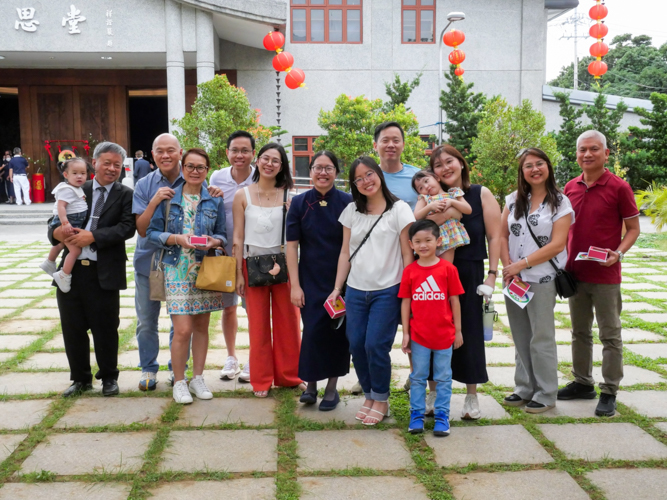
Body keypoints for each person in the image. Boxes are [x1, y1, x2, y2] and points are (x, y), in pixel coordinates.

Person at [558, 130, 640, 417]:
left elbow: (633, 229)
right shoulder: (570, 187)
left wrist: (618, 252)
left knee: (610, 334)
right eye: (582, 149)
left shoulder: (619, 187)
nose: (587, 154)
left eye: (594, 149)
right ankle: (583, 383)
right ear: (577, 154)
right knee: (579, 332)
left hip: (606, 276)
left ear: (606, 154)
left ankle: (609, 391)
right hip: (575, 274)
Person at [132, 133, 223, 391]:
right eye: (160, 151)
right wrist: (155, 200)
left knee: (181, 325)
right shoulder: (145, 184)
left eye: (171, 150)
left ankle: (178, 371)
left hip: (189, 265)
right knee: (147, 321)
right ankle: (148, 369)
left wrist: (214, 240)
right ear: (153, 154)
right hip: (150, 262)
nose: (165, 155)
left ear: (179, 153)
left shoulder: (197, 184)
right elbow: (142, 230)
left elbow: (217, 224)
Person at [329, 156, 415, 425]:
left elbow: (406, 252)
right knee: (356, 344)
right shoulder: (351, 211)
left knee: (376, 345)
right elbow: (345, 252)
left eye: (370, 174)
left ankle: (382, 398)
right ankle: (369, 394)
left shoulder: (399, 209)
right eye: (359, 178)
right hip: (355, 290)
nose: (366, 181)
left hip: (388, 290)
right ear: (354, 183)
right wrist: (336, 288)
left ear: (379, 174)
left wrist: (407, 289)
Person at [49, 142, 136, 398]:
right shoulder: (76, 187)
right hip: (72, 271)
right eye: (106, 163)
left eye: (117, 165)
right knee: (72, 327)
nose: (111, 169)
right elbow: (52, 223)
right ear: (94, 163)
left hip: (105, 270)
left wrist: (93, 236)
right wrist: (58, 233)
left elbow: (127, 228)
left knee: (106, 327)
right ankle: (80, 379)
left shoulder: (125, 194)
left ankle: (109, 377)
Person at [427, 144, 501, 420]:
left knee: (468, 332)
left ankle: (471, 397)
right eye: (438, 165)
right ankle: (433, 393)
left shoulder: (480, 194)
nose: (445, 168)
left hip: (468, 271)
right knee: (433, 331)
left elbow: (495, 237)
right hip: (433, 273)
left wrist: (492, 274)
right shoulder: (430, 196)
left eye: (450, 161)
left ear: (461, 163)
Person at [500, 148, 574, 413]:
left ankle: (545, 392)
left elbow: (557, 244)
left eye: (539, 163)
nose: (534, 169)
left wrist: (521, 264)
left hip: (542, 278)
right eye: (528, 165)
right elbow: (500, 236)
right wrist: (508, 268)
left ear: (548, 167)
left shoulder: (560, 202)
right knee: (520, 335)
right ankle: (524, 388)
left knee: (541, 337)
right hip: (514, 280)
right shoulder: (512, 200)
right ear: (522, 172)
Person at [233, 143, 302, 398]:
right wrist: (238, 272)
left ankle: (290, 376)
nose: (270, 164)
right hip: (252, 263)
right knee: (258, 325)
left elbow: (298, 236)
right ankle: (261, 379)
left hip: (284, 263)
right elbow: (238, 237)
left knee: (289, 322)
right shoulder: (243, 195)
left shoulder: (290, 196)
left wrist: (293, 216)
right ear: (257, 160)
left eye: (276, 160)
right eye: (265, 158)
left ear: (282, 166)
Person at [286, 151, 352, 411]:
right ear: (310, 171)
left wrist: (340, 286)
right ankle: (311, 385)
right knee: (312, 331)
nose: (323, 173)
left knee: (337, 333)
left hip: (342, 278)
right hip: (309, 278)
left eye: (329, 168)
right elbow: (291, 247)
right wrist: (295, 285)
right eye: (318, 168)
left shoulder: (349, 202)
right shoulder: (299, 203)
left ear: (336, 172)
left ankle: (332, 389)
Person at [400, 219, 464, 435]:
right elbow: (406, 302)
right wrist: (406, 334)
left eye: (428, 240)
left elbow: (455, 301)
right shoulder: (410, 271)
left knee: (443, 377)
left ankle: (442, 415)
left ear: (438, 241)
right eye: (418, 241)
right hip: (419, 335)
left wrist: (459, 331)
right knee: (418, 376)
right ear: (411, 244)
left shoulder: (448, 269)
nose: (423, 245)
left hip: (444, 335)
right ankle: (416, 414)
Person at [209, 131, 256, 383]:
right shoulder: (216, 177)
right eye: (234, 150)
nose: (240, 155)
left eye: (245, 150)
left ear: (253, 154)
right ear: (227, 152)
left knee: (254, 310)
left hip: (254, 255)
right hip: (225, 254)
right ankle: (231, 356)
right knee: (228, 307)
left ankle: (253, 358)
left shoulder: (261, 176)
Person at [40, 159, 90, 292]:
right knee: (75, 250)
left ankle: (49, 262)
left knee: (62, 243)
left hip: (72, 222)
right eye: (75, 173)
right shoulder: (67, 189)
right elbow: (61, 207)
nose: (79, 176)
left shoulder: (76, 188)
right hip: (68, 222)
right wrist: (65, 223)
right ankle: (63, 274)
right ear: (66, 175)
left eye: (83, 173)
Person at [412, 170, 471, 262]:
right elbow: (416, 216)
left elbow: (468, 209)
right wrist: (430, 207)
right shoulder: (425, 199)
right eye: (420, 188)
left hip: (449, 237)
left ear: (437, 178)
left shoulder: (453, 194)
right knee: (429, 267)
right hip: (429, 238)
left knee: (445, 267)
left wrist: (452, 202)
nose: (426, 186)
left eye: (426, 181)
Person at [373, 122, 421, 210]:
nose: (391, 145)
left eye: (396, 141)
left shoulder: (419, 176)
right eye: (385, 140)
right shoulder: (367, 178)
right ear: (375, 146)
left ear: (403, 146)